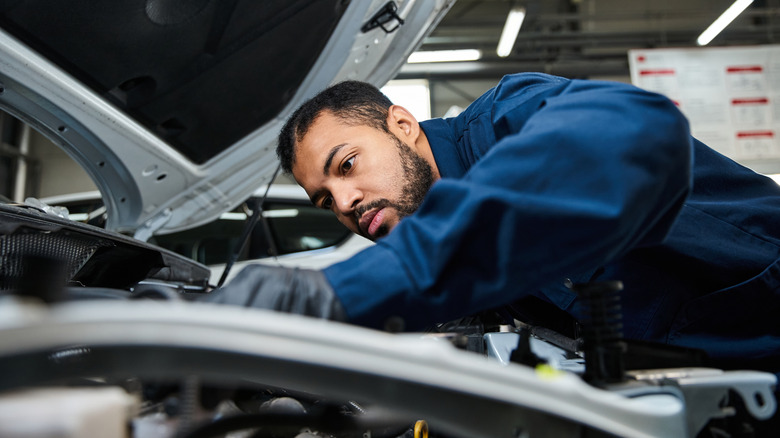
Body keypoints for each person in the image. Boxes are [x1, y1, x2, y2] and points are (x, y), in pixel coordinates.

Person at [207, 72, 780, 378]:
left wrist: (339, 293)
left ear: (402, 125)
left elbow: (636, 124)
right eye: (325, 200)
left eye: (348, 166)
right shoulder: (439, 250)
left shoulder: (509, 119)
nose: (347, 202)